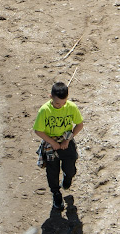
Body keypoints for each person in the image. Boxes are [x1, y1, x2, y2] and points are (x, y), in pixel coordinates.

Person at [33, 81, 84, 211]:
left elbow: (79, 125)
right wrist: (53, 143)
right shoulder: (44, 110)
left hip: (66, 140)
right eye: (57, 103)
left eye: (63, 103)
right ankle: (56, 193)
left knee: (71, 168)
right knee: (52, 172)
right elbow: (38, 130)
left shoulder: (71, 107)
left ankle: (67, 179)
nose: (60, 106)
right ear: (50, 96)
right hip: (51, 143)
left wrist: (68, 140)